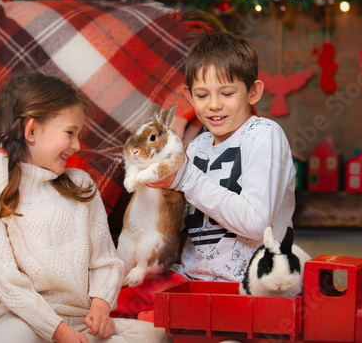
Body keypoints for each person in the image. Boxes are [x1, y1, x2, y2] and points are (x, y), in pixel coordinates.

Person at [0, 72, 172, 343]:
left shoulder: (82, 185)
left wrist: (100, 307)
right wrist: (57, 331)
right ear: (31, 131)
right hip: (23, 318)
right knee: (15, 338)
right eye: (70, 132)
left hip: (79, 319)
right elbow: (10, 285)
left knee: (157, 335)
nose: (77, 145)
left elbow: (105, 260)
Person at [114, 30, 296, 318]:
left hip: (245, 282)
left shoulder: (264, 135)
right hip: (188, 277)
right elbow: (187, 219)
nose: (213, 105)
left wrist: (186, 178)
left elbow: (257, 223)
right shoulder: (197, 146)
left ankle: (168, 323)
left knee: (157, 322)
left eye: (226, 93)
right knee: (117, 304)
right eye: (202, 95)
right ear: (189, 96)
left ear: (253, 92)